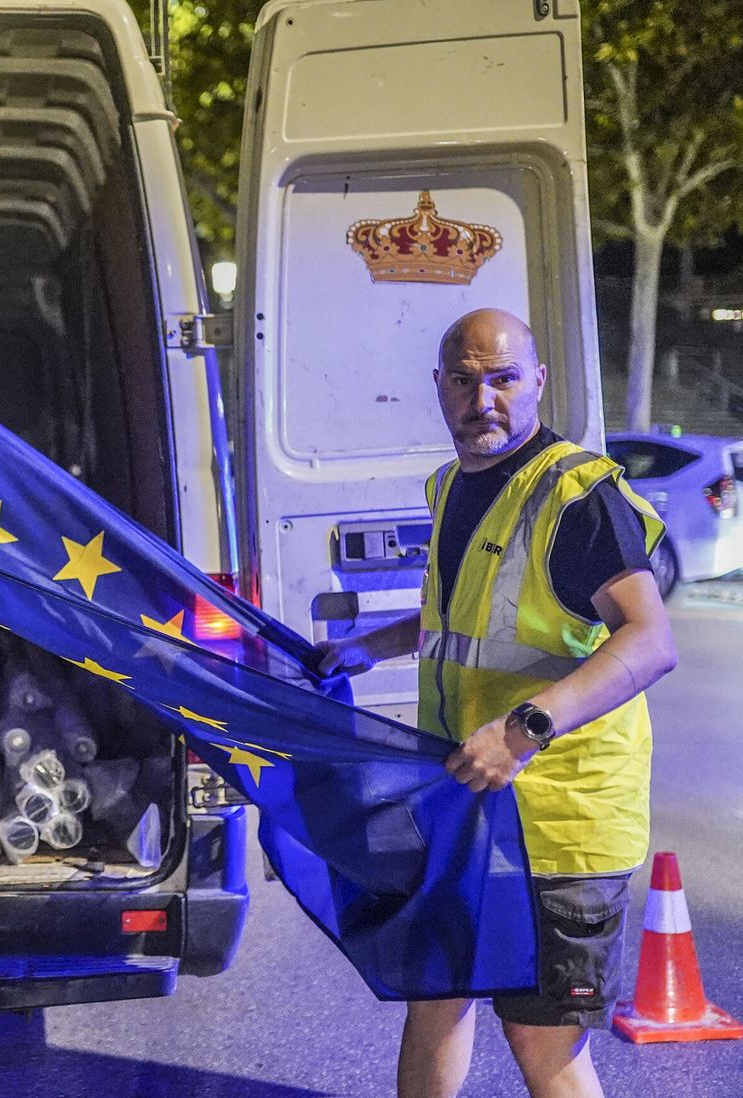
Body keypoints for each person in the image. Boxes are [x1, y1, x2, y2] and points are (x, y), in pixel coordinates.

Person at [315, 308, 677, 1098]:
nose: (486, 398)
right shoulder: (453, 483)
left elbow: (649, 641)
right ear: (439, 386)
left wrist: (523, 732)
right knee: (435, 1000)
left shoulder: (578, 494)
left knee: (543, 1045)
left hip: (559, 825)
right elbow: (463, 615)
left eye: (505, 378)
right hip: (466, 804)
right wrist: (366, 647)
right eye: (467, 378)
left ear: (538, 382)